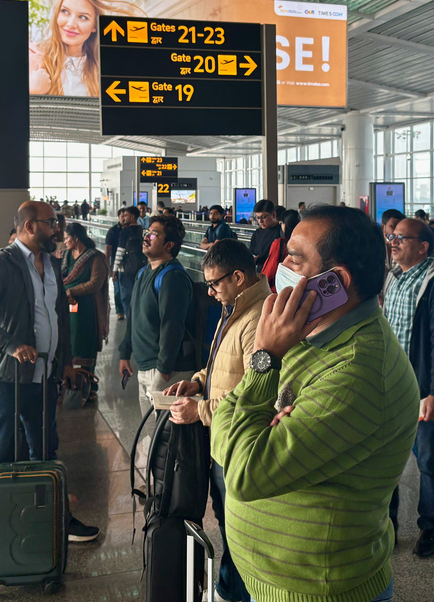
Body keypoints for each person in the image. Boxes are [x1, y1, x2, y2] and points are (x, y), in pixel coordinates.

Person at [211, 206, 419, 602]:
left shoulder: (357, 371)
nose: (280, 266)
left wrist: (263, 359)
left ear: (333, 283)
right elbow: (226, 418)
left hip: (318, 591)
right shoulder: (309, 335)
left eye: (295, 257)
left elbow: (242, 472)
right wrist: (253, 424)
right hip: (280, 581)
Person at [0, 201, 100, 558]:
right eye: (53, 223)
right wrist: (10, 344)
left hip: (43, 374)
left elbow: (59, 313)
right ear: (31, 226)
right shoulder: (1, 264)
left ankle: (56, 517)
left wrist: (63, 361)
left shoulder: (51, 264)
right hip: (4, 376)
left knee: (46, 448)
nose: (59, 229)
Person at [163, 239, 270, 602]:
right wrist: (198, 379)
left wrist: (201, 410)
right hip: (223, 435)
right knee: (227, 520)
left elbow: (254, 390)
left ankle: (237, 591)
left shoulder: (257, 319)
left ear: (238, 277)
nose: (209, 291)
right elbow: (224, 362)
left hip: (239, 440)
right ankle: (230, 586)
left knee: (238, 524)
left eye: (214, 283)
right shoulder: (235, 307)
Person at [382, 218, 434, 557]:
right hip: (389, 385)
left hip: (421, 387)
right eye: (392, 236)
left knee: (428, 459)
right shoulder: (394, 276)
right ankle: (387, 526)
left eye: (402, 238)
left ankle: (430, 527)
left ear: (424, 246)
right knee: (385, 460)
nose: (394, 242)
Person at [117, 215, 197, 450]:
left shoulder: (173, 276)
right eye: (146, 232)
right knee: (151, 433)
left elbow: (172, 326)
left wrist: (163, 369)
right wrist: (125, 352)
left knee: (168, 436)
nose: (146, 237)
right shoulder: (144, 273)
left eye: (153, 234)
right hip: (146, 365)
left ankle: (170, 484)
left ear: (169, 245)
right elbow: (133, 316)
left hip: (167, 370)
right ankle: (156, 483)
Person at [29, 0, 144, 96]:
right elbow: (13, 109)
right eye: (65, 11)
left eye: (83, 17)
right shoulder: (30, 56)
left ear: (94, 26)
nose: (71, 24)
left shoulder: (103, 70)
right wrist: (32, 92)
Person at [61, 223, 110, 377]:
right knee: (67, 342)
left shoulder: (95, 257)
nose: (65, 242)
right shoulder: (64, 256)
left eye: (66, 238)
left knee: (85, 343)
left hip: (88, 309)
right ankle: (69, 383)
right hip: (65, 308)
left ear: (76, 238)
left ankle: (88, 384)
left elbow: (95, 283)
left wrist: (71, 291)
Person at [112, 206, 143, 318]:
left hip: (125, 270)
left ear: (132, 217)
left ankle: (130, 321)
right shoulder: (142, 230)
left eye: (125, 215)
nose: (123, 218)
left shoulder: (124, 232)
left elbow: (120, 252)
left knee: (126, 297)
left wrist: (114, 269)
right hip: (140, 268)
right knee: (139, 296)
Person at [260, 209, 300, 290]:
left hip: (277, 289)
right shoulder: (303, 244)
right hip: (297, 288)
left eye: (282, 223)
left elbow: (270, 270)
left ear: (285, 225)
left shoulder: (280, 243)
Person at [248, 200, 281, 272]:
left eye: (263, 217)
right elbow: (252, 251)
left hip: (276, 273)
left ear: (274, 215)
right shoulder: (257, 233)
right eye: (258, 217)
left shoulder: (281, 232)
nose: (260, 221)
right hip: (260, 272)